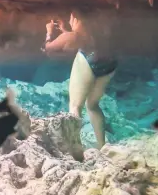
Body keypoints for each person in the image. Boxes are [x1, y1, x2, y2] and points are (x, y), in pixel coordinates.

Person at [43, 8, 118, 149]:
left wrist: (49, 32)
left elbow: (48, 48)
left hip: (89, 60)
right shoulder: (96, 32)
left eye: (71, 18)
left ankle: (75, 147)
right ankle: (102, 145)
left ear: (76, 19)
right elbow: (76, 40)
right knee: (92, 105)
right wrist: (65, 30)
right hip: (109, 64)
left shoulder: (73, 36)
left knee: (75, 106)